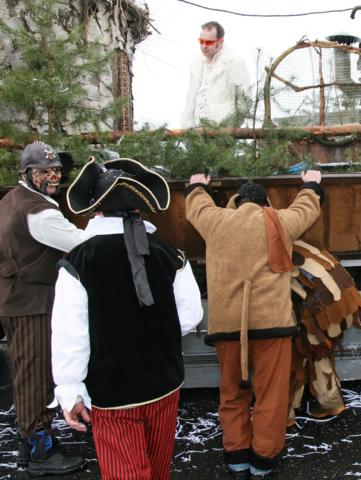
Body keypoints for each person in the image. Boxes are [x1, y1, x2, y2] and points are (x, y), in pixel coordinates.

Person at [50, 158, 203, 479]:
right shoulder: (169, 253)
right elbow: (190, 315)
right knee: (158, 470)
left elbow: (71, 334)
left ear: (97, 210)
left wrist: (69, 389)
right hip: (165, 385)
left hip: (113, 393)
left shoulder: (79, 261)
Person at [185, 170, 324, 479]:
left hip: (227, 328)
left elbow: (197, 207)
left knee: (232, 393)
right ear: (266, 203)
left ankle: (236, 459)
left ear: (236, 203)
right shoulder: (278, 221)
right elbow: (306, 209)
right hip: (271, 327)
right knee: (271, 396)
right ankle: (262, 462)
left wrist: (197, 185)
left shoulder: (218, 221)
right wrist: (311, 184)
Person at [0, 141, 86, 476]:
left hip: (15, 297)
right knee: (34, 375)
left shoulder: (12, 199)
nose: (53, 176)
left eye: (56, 171)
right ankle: (38, 453)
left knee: (28, 371)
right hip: (30, 302)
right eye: (44, 171)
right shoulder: (40, 212)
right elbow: (82, 244)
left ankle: (40, 440)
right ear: (27, 173)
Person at [287, 240, 361, 427]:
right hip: (338, 307)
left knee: (293, 361)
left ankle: (286, 413)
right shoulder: (301, 247)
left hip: (316, 313)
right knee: (318, 353)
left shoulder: (275, 255)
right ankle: (332, 403)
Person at [181, 21, 251, 128]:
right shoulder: (196, 64)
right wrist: (187, 126)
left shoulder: (234, 63)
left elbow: (244, 102)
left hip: (221, 133)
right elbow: (190, 99)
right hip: (194, 133)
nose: (204, 46)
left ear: (221, 42)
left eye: (209, 42)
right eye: (201, 41)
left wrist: (230, 129)